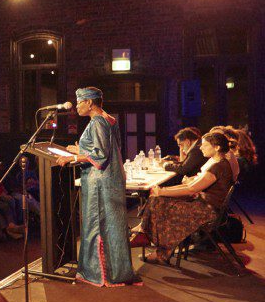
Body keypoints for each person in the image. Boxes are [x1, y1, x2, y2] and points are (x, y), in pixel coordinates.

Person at [56, 87, 136, 287]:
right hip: (111, 179)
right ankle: (117, 271)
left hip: (100, 182)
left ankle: (100, 274)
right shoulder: (108, 119)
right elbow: (105, 148)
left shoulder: (97, 121)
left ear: (90, 102)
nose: (76, 106)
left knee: (97, 224)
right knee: (111, 225)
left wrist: (72, 157)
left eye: (79, 102)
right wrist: (80, 149)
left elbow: (100, 155)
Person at [131, 132, 235, 264]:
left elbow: (192, 188)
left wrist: (162, 191)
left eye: (204, 145)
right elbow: (192, 185)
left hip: (207, 212)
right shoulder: (217, 162)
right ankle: (148, 237)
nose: (201, 148)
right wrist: (161, 192)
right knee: (157, 200)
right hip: (202, 205)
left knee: (160, 202)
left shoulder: (218, 166)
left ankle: (153, 242)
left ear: (217, 148)